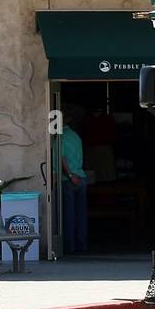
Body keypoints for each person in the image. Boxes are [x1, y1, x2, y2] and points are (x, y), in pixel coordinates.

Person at [60, 108, 88, 254]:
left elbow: (62, 157)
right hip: (81, 176)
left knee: (69, 215)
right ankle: (81, 245)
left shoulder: (61, 137)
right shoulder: (76, 136)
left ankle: (69, 247)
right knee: (81, 214)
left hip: (69, 179)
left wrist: (70, 175)